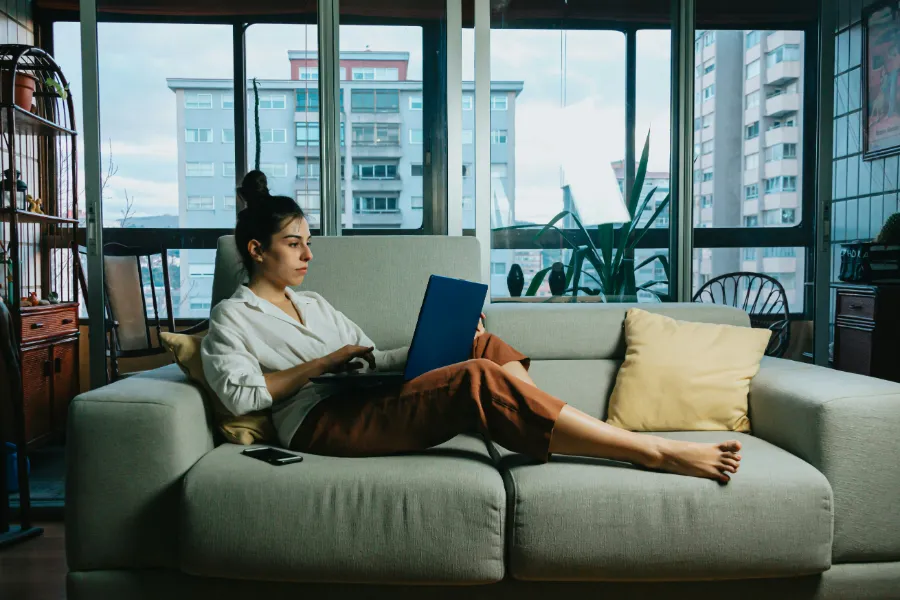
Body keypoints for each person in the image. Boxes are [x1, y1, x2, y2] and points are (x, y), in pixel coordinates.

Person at [201, 184, 742, 483]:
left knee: (479, 346)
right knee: (479, 379)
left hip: (360, 397)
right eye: (295, 244)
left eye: (308, 241)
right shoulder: (232, 318)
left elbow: (369, 360)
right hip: (319, 424)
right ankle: (648, 452)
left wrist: (445, 338)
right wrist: (322, 364)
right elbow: (242, 394)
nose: (308, 255)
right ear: (256, 250)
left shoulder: (313, 303)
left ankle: (574, 426)